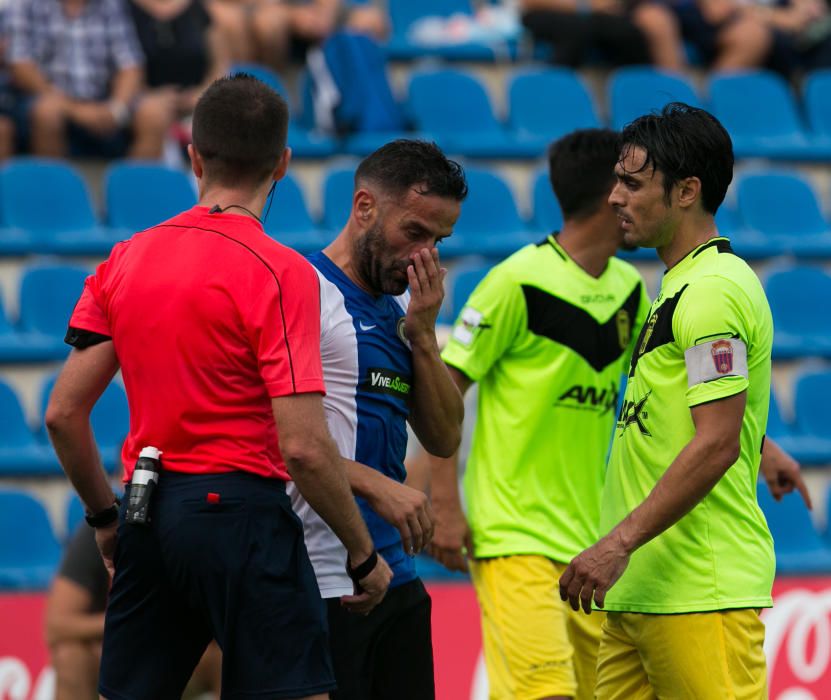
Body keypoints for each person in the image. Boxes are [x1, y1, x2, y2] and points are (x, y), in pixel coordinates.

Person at [45, 74, 391, 700]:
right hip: (241, 517)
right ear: (283, 162)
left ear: (194, 157)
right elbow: (306, 449)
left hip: (147, 513)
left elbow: (64, 414)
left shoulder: (126, 257)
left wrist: (105, 517)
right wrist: (362, 553)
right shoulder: (283, 272)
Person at [558, 103, 777, 699]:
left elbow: (715, 443)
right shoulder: (677, 287)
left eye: (632, 183)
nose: (614, 199)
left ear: (686, 191)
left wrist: (616, 543)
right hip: (642, 593)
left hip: (698, 593)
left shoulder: (711, 291)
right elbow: (704, 416)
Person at [427, 129, 651, 700]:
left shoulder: (630, 289)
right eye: (634, 183)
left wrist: (764, 447)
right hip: (514, 537)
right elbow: (441, 397)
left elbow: (672, 385)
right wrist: (445, 505)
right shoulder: (514, 283)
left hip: (591, 547)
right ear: (611, 194)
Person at [289, 139, 467, 700]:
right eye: (414, 233)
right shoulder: (302, 293)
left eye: (438, 241)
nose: (423, 255)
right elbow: (272, 435)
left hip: (398, 580)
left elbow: (443, 437)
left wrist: (423, 337)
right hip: (323, 581)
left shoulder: (399, 316)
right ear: (365, 207)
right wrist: (375, 485)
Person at [45, 521, 222, 700]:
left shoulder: (197, 525)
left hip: (183, 654)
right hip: (116, 653)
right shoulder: (103, 528)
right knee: (70, 657)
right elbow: (57, 626)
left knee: (227, 653)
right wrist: (132, 622)